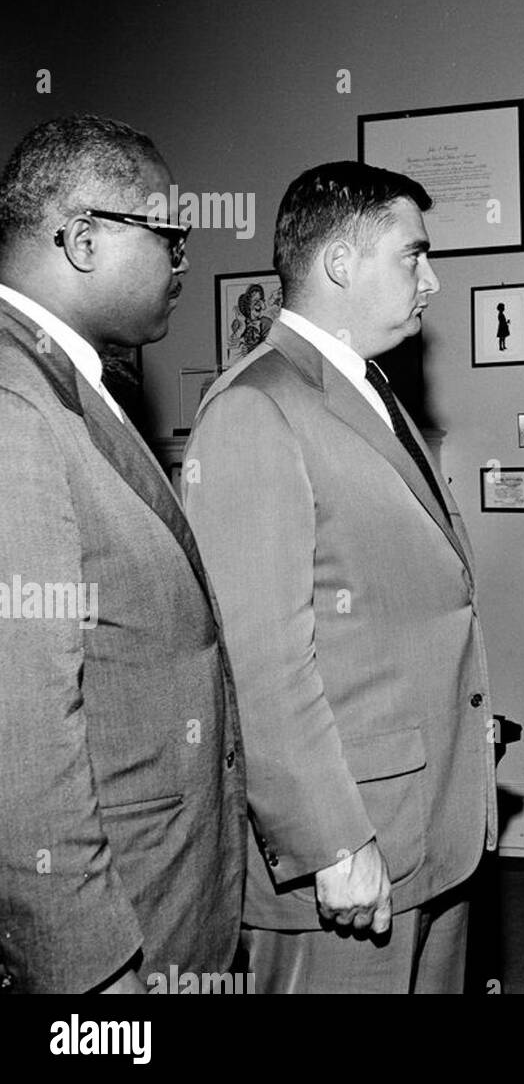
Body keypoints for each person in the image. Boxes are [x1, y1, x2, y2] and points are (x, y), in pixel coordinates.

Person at [183, 162, 495, 994]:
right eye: (413, 256)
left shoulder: (370, 389)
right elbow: (260, 661)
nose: (432, 282)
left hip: (429, 824)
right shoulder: (257, 406)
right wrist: (331, 843)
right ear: (340, 263)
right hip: (353, 847)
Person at [0, 114, 245, 994]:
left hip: (165, 892)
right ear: (82, 238)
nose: (183, 263)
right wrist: (90, 972)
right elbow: (19, 744)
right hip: (114, 934)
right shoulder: (15, 409)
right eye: (168, 235)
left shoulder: (75, 383)